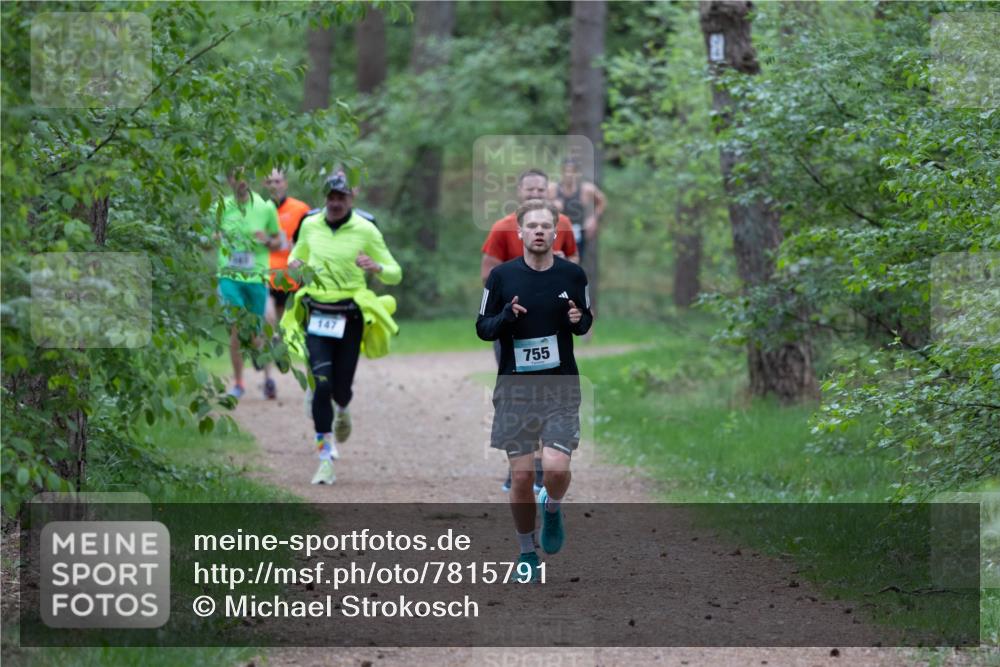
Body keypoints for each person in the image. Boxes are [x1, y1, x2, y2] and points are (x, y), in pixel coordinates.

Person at [476, 198, 593, 581]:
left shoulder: (573, 275)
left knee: (556, 469)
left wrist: (579, 319)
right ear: (521, 232)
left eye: (546, 226)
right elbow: (483, 327)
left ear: (555, 233)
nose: (539, 231)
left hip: (559, 385)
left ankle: (554, 507)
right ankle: (527, 554)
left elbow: (585, 321)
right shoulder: (502, 279)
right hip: (515, 389)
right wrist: (506, 316)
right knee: (523, 476)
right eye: (533, 226)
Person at [285, 172, 402, 485]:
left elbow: (395, 273)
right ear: (325, 198)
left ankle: (344, 408)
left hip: (349, 317)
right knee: (321, 384)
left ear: (352, 197)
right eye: (331, 197)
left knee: (341, 388)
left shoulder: (365, 229)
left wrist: (376, 267)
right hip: (316, 313)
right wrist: (294, 264)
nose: (335, 203)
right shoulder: (309, 224)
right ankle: (324, 457)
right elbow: (297, 256)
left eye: (341, 197)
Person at [481, 168, 579, 494]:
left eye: (541, 190)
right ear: (519, 193)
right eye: (530, 190)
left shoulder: (561, 225)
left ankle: (541, 469)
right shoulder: (501, 228)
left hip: (551, 324)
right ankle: (520, 468)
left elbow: (578, 271)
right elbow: (487, 273)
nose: (536, 195)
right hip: (513, 326)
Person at [216, 167, 281, 400]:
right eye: (235, 175)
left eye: (244, 175)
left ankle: (267, 377)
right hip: (229, 277)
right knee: (235, 329)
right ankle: (239, 383)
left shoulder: (265, 208)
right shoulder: (220, 207)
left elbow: (278, 241)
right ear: (229, 179)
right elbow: (204, 239)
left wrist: (268, 240)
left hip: (256, 277)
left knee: (256, 334)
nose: (240, 180)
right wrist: (212, 239)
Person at [263, 168, 312, 364]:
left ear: (285, 183)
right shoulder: (259, 209)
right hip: (266, 271)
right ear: (264, 185)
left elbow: (312, 235)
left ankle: (278, 345)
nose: (274, 186)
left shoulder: (300, 209)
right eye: (270, 182)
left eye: (278, 181)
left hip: (291, 273)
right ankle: (267, 344)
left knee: (284, 321)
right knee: (267, 314)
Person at [548, 158, 606, 262]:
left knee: (575, 262)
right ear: (561, 172)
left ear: (577, 173)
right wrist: (552, 205)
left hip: (577, 232)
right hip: (556, 233)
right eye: (566, 171)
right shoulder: (552, 189)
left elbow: (602, 201)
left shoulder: (586, 189)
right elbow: (538, 205)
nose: (569, 174)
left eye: (572, 171)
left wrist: (594, 219)